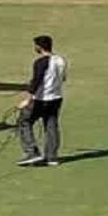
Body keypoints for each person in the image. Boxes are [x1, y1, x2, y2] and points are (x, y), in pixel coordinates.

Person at [17, 34, 67, 166]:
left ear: (39, 47)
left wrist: (27, 99)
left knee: (24, 121)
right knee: (51, 126)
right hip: (56, 98)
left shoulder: (40, 62)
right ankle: (52, 157)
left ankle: (31, 152)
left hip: (41, 98)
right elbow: (63, 78)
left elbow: (37, 81)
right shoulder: (61, 60)